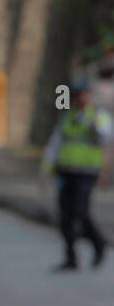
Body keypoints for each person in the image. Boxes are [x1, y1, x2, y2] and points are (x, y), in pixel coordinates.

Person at [42, 76, 112, 271]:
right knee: (65, 216)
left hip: (86, 173)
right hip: (65, 171)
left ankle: (99, 244)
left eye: (83, 94)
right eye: (76, 95)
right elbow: (56, 142)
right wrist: (47, 165)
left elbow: (106, 136)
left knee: (81, 213)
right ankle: (70, 257)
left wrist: (96, 125)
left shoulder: (98, 115)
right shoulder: (67, 116)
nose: (80, 98)